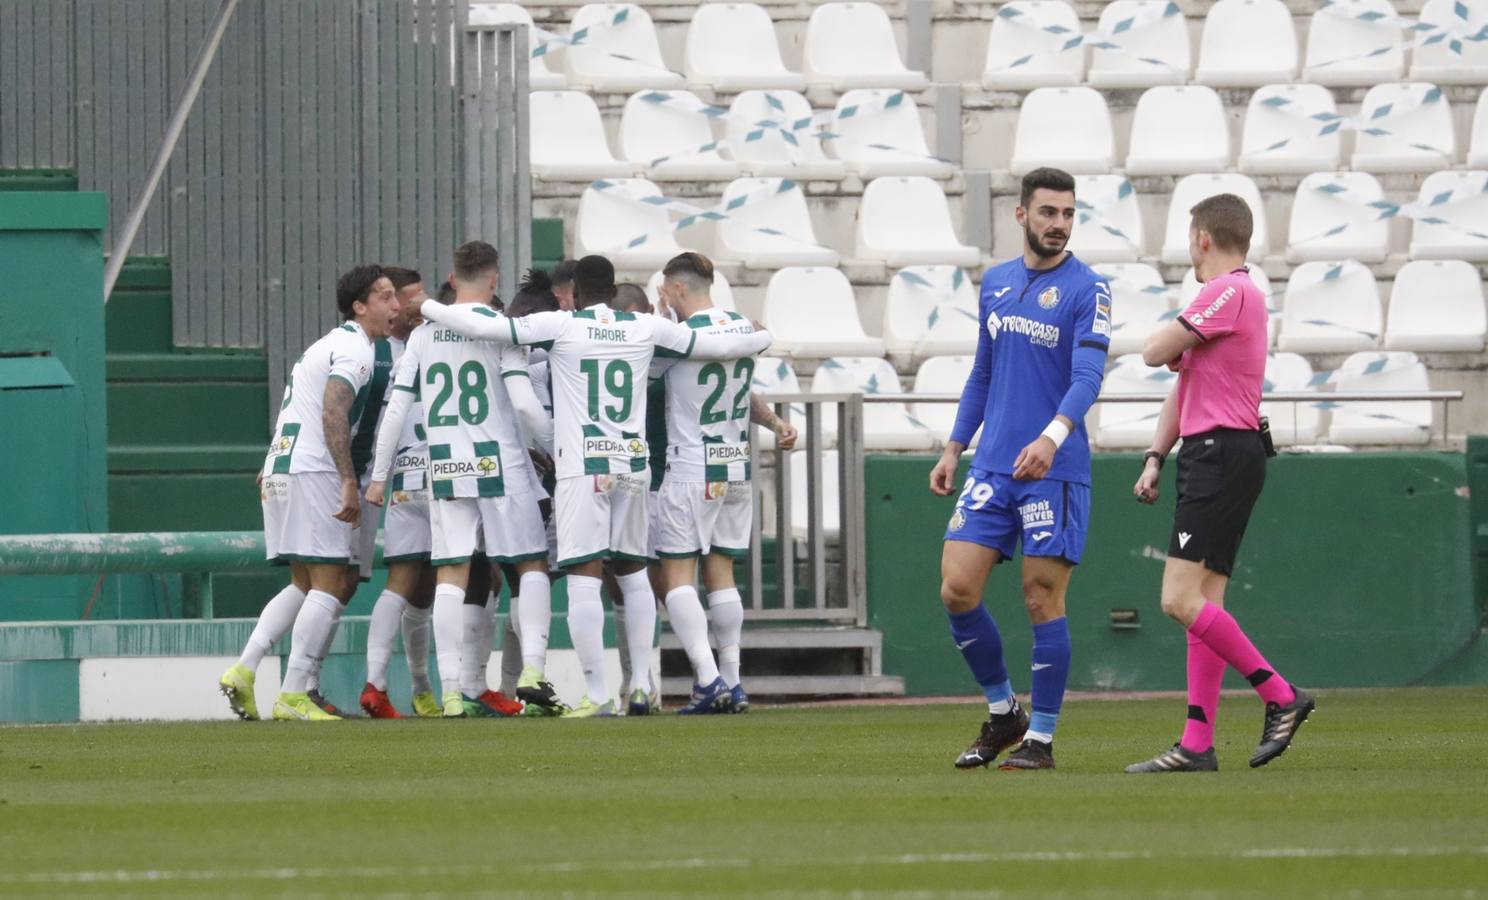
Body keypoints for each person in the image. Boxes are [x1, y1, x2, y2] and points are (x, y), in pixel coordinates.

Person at [416, 254, 773, 717]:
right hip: (634, 466)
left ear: (576, 293)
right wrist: (762, 336)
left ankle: (598, 694)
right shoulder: (645, 328)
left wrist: (426, 306)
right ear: (613, 287)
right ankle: (642, 686)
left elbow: (489, 330)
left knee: (584, 577)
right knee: (633, 573)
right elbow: (716, 348)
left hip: (584, 467)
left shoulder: (563, 326)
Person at [928, 167, 1111, 770]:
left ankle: (1043, 740)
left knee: (1040, 598)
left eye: (1068, 214)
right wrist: (956, 445)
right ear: (1022, 215)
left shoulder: (1090, 289)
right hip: (993, 464)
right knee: (957, 588)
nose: (1058, 224)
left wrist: (1052, 438)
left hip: (1053, 467)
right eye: (1048, 213)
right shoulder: (997, 283)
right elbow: (984, 370)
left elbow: (1088, 377)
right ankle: (1007, 713)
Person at [1125, 194, 1314, 773]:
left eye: (1190, 237)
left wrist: (1175, 329)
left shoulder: (1229, 290)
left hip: (1220, 454)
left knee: (1177, 598)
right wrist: (1157, 455)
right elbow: (1183, 388)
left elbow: (1154, 352)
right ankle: (1197, 744)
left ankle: (1281, 695)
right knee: (1205, 602)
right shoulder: (1228, 300)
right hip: (1218, 452)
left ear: (1202, 238)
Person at [367, 242, 554, 718]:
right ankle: (532, 671)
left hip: (445, 464)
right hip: (500, 463)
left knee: (451, 574)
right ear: (495, 280)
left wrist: (379, 477)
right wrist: (558, 452)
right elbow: (528, 406)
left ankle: (452, 691)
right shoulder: (500, 332)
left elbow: (396, 411)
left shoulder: (424, 337)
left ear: (452, 277)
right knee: (530, 565)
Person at [219, 264, 399, 721]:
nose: (394, 305)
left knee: (303, 582)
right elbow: (333, 411)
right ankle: (294, 692)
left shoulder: (325, 344)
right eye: (384, 297)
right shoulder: (356, 350)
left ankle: (245, 668)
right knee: (331, 581)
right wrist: (346, 480)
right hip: (314, 470)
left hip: (282, 465)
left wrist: (271, 462)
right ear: (360, 306)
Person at [650, 252, 798, 713]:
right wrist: (774, 422)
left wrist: (657, 322)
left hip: (691, 468)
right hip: (734, 466)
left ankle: (709, 679)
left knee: (677, 576)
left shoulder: (679, 336)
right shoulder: (741, 328)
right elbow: (741, 387)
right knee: (722, 573)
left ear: (675, 289)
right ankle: (733, 681)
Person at [359, 267, 441, 718]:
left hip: (405, 476)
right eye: (409, 300)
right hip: (445, 473)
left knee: (412, 586)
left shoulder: (389, 350)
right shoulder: (404, 351)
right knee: (469, 578)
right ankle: (465, 687)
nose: (414, 306)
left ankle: (397, 684)